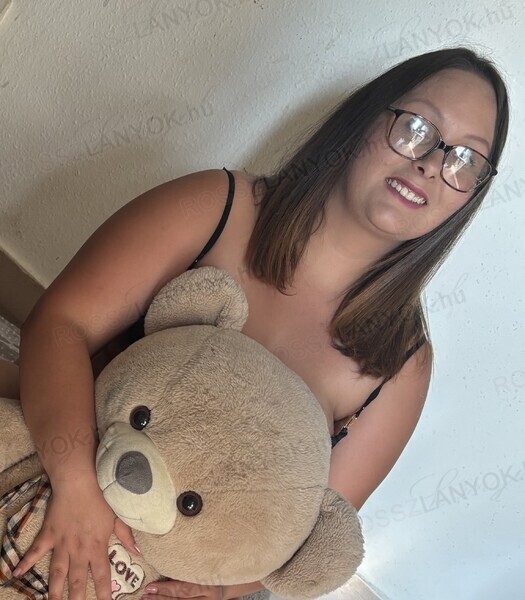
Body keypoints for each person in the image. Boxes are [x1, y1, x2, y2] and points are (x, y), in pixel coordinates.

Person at [1, 45, 509, 600]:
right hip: (49, 473)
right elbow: (60, 325)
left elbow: (300, 535)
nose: (433, 164)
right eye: (417, 127)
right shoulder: (218, 205)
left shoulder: (402, 366)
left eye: (466, 160)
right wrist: (78, 487)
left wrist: (218, 590)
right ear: (366, 117)